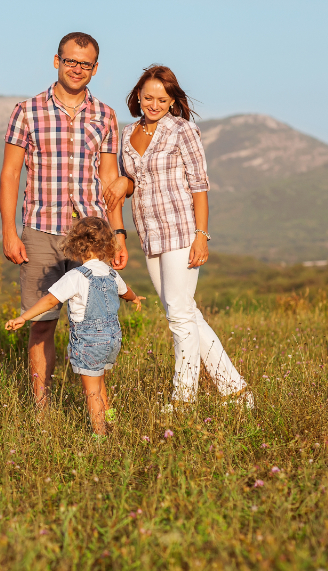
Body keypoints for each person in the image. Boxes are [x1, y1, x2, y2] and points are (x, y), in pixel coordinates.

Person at [104, 65, 253, 409]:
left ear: (172, 101)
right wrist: (124, 183)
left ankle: (184, 399)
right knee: (186, 312)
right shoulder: (127, 133)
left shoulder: (183, 130)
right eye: (148, 97)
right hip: (149, 231)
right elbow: (131, 177)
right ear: (138, 96)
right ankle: (236, 391)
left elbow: (200, 185)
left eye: (162, 99)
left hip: (181, 229)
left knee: (178, 316)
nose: (154, 104)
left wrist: (202, 235)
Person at [0, 32, 128, 410]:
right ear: (56, 61)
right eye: (70, 60)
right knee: (42, 323)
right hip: (41, 229)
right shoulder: (28, 110)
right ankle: (42, 410)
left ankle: (96, 408)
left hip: (91, 236)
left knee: (95, 323)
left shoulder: (105, 115)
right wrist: (9, 231)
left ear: (95, 69)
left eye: (85, 63)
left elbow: (109, 182)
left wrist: (118, 234)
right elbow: (10, 175)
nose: (77, 68)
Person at [5, 217, 144, 435]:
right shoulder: (110, 273)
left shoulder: (75, 276)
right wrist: (134, 299)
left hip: (89, 342)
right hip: (112, 340)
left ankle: (101, 437)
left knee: (91, 393)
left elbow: (50, 300)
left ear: (75, 245)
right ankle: (112, 422)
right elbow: (125, 291)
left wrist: (24, 317)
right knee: (101, 385)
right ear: (108, 245)